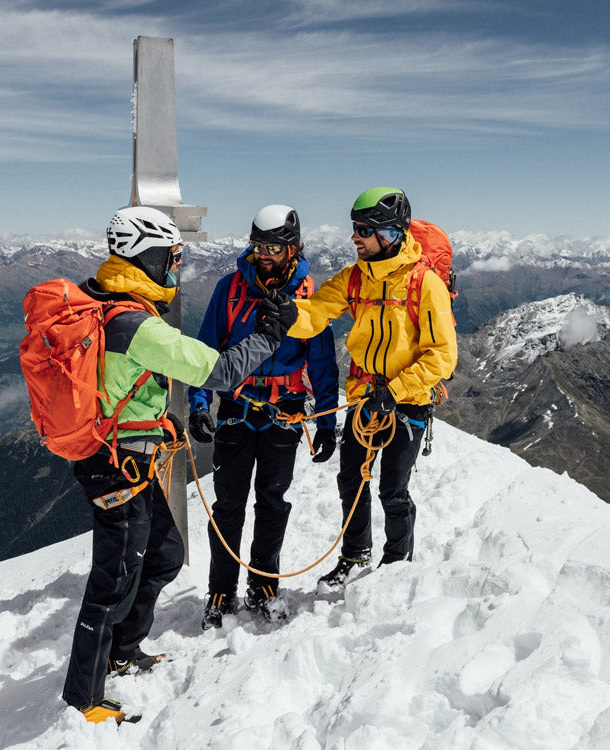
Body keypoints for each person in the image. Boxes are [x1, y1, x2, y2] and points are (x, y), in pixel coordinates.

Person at [60, 205, 299, 723]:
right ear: (146, 255)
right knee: (113, 578)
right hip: (115, 466)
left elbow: (121, 383)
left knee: (165, 553)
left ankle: (122, 651)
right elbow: (219, 371)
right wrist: (270, 335)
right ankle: (84, 698)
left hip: (130, 455)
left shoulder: (113, 303)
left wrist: (154, 421)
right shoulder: (135, 324)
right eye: (172, 257)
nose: (176, 266)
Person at [283, 187, 458, 589]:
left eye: (363, 229)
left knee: (393, 490)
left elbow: (442, 356)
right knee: (352, 480)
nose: (354, 237)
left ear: (391, 234)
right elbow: (316, 315)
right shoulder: (355, 279)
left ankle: (396, 567)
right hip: (365, 398)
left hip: (407, 403)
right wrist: (284, 314)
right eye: (355, 228)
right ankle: (354, 554)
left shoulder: (424, 284)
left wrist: (396, 390)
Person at [187, 204, 340, 630]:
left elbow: (323, 362)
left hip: (284, 412)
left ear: (293, 248)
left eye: (273, 246)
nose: (264, 254)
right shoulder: (230, 288)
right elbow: (205, 351)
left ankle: (263, 583)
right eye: (258, 245)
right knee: (229, 504)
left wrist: (327, 421)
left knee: (272, 501)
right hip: (236, 409)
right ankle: (220, 590)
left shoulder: (309, 297)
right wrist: (199, 404)